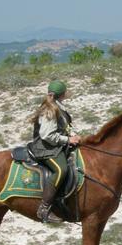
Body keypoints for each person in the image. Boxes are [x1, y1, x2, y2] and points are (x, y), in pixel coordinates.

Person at [27, 80, 85, 224]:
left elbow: (65, 127)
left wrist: (73, 136)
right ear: (63, 94)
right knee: (61, 169)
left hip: (55, 145)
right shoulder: (50, 110)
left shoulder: (58, 106)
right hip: (45, 148)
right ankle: (44, 208)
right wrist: (68, 140)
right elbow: (47, 135)